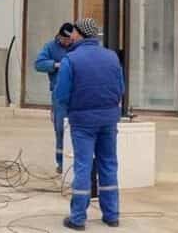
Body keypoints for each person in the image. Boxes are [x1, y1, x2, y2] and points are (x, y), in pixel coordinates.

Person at [54, 18, 124, 230]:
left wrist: (70, 109)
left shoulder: (71, 59)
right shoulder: (112, 57)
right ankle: (112, 216)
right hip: (109, 119)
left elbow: (61, 94)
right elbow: (121, 88)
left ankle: (77, 219)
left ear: (80, 34)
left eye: (73, 32)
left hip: (83, 121)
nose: (71, 35)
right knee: (109, 164)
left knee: (83, 167)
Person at [35, 22, 74, 173]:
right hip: (58, 96)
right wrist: (56, 65)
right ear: (59, 36)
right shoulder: (50, 47)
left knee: (77, 129)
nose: (67, 42)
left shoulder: (75, 46)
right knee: (60, 129)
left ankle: (73, 160)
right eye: (65, 40)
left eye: (69, 40)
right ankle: (61, 163)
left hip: (76, 93)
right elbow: (38, 64)